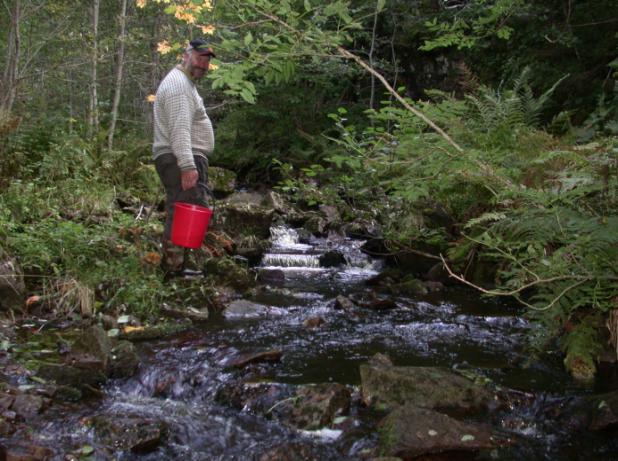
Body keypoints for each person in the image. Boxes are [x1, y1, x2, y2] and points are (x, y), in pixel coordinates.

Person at [152, 38, 215, 274]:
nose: (203, 64)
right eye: (199, 58)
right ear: (185, 55)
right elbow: (180, 128)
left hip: (178, 156)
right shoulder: (179, 85)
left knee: (183, 208)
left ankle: (177, 268)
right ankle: (175, 270)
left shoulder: (184, 83)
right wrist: (188, 164)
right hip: (180, 157)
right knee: (185, 209)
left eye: (207, 60)